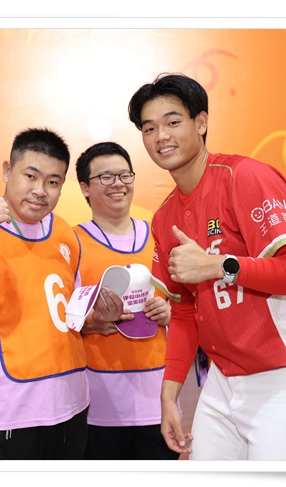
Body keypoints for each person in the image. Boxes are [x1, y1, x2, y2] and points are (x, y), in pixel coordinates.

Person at [127, 73, 286, 460]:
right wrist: (169, 396)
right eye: (149, 128)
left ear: (201, 122)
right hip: (222, 382)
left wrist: (219, 266)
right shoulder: (164, 218)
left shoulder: (245, 177)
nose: (161, 136)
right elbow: (184, 311)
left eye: (173, 122)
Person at [0, 127, 132, 460]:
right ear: (7, 171)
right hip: (12, 411)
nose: (40, 191)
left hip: (73, 404)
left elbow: (70, 316)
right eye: (30, 176)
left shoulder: (65, 232)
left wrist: (99, 316)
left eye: (53, 181)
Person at [74, 141, 178, 460]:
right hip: (96, 406)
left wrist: (170, 312)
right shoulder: (72, 243)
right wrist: (92, 322)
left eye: (124, 175)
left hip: (157, 400)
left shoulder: (160, 237)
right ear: (85, 188)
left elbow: (187, 304)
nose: (117, 184)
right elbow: (59, 317)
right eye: (105, 177)